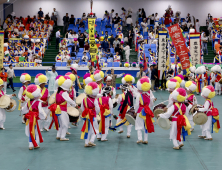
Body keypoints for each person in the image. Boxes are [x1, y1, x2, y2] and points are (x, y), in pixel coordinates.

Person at [49, 76, 76, 141]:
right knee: (65, 124)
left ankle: (58, 135)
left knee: (60, 124)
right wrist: (75, 104)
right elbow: (69, 100)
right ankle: (62, 137)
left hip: (57, 110)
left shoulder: (57, 92)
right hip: (62, 110)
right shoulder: (64, 93)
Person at [21, 85, 46, 150]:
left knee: (30, 131)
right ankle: (36, 144)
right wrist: (44, 116)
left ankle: (30, 145)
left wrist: (23, 110)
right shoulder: (38, 102)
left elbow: (24, 110)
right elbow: (40, 111)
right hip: (35, 118)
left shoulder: (28, 102)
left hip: (29, 118)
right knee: (36, 131)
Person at [134, 77, 155, 144]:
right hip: (147, 111)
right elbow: (151, 103)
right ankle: (146, 139)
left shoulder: (139, 96)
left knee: (138, 125)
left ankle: (140, 139)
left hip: (140, 111)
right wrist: (148, 107)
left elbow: (137, 105)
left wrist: (135, 111)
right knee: (146, 124)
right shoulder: (149, 94)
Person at [80, 82, 100, 147]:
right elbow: (98, 109)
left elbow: (82, 108)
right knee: (96, 130)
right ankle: (91, 141)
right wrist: (95, 114)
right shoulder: (95, 100)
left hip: (86, 117)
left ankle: (86, 143)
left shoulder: (84, 99)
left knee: (87, 129)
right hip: (92, 116)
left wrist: (86, 113)